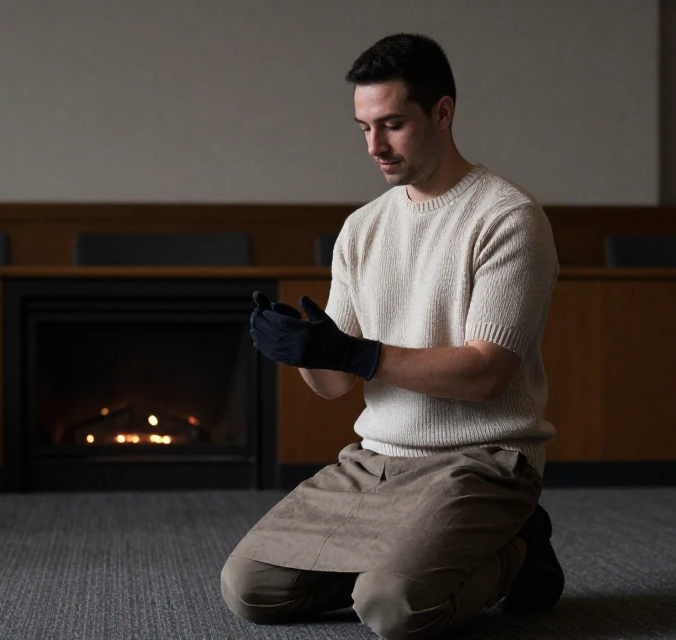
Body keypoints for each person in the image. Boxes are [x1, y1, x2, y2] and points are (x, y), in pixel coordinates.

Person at [222, 33, 564, 640]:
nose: (375, 146)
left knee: (393, 609)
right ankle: (405, 556)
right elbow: (333, 385)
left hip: (480, 461)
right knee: (251, 589)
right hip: (377, 462)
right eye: (363, 128)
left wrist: (358, 354)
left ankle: (521, 546)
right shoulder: (362, 228)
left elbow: (487, 375)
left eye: (393, 124)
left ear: (443, 112)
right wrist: (305, 348)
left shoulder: (507, 218)